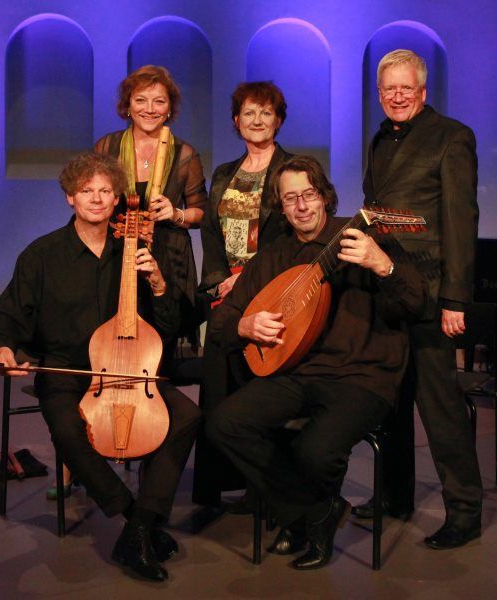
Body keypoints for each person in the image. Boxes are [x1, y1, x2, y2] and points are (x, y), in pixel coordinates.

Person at [0, 153, 201, 581]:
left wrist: (159, 284)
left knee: (187, 416)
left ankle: (141, 526)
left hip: (130, 370)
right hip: (69, 371)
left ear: (117, 198)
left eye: (105, 191)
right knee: (68, 430)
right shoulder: (42, 255)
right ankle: (136, 518)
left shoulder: (134, 250)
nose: (97, 199)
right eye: (86, 191)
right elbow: (6, 315)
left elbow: (169, 327)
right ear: (70, 197)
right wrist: (3, 349)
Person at [206, 155, 426, 570]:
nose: (302, 206)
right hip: (296, 373)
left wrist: (383, 265)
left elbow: (416, 304)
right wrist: (245, 325)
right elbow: (221, 323)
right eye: (291, 199)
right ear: (281, 206)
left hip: (361, 375)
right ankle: (313, 513)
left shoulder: (360, 239)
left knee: (315, 449)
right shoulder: (273, 257)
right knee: (225, 423)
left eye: (309, 194)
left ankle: (300, 521)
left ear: (324, 196)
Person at [352, 49, 483, 550]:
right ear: (380, 93)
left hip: (430, 293)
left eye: (406, 88)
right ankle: (395, 496)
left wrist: (455, 300)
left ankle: (464, 511)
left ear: (423, 91)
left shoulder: (452, 137)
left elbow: (460, 223)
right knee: (391, 400)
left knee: (439, 406)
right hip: (387, 288)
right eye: (389, 89)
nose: (397, 96)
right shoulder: (379, 138)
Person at [192, 82, 293, 508]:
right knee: (221, 389)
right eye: (249, 113)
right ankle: (220, 483)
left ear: (279, 120)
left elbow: (292, 237)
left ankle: (267, 487)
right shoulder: (223, 173)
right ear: (236, 121)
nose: (257, 120)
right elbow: (211, 233)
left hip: (271, 290)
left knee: (261, 391)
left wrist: (249, 279)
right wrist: (219, 280)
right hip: (226, 296)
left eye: (266, 113)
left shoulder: (293, 170)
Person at [95, 65, 207, 365]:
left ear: (169, 109)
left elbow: (203, 213)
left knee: (160, 345)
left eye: (159, 101)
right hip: (118, 254)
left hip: (168, 257)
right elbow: (92, 195)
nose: (149, 109)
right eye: (140, 100)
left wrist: (176, 213)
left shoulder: (184, 154)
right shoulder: (107, 147)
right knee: (114, 338)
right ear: (128, 105)